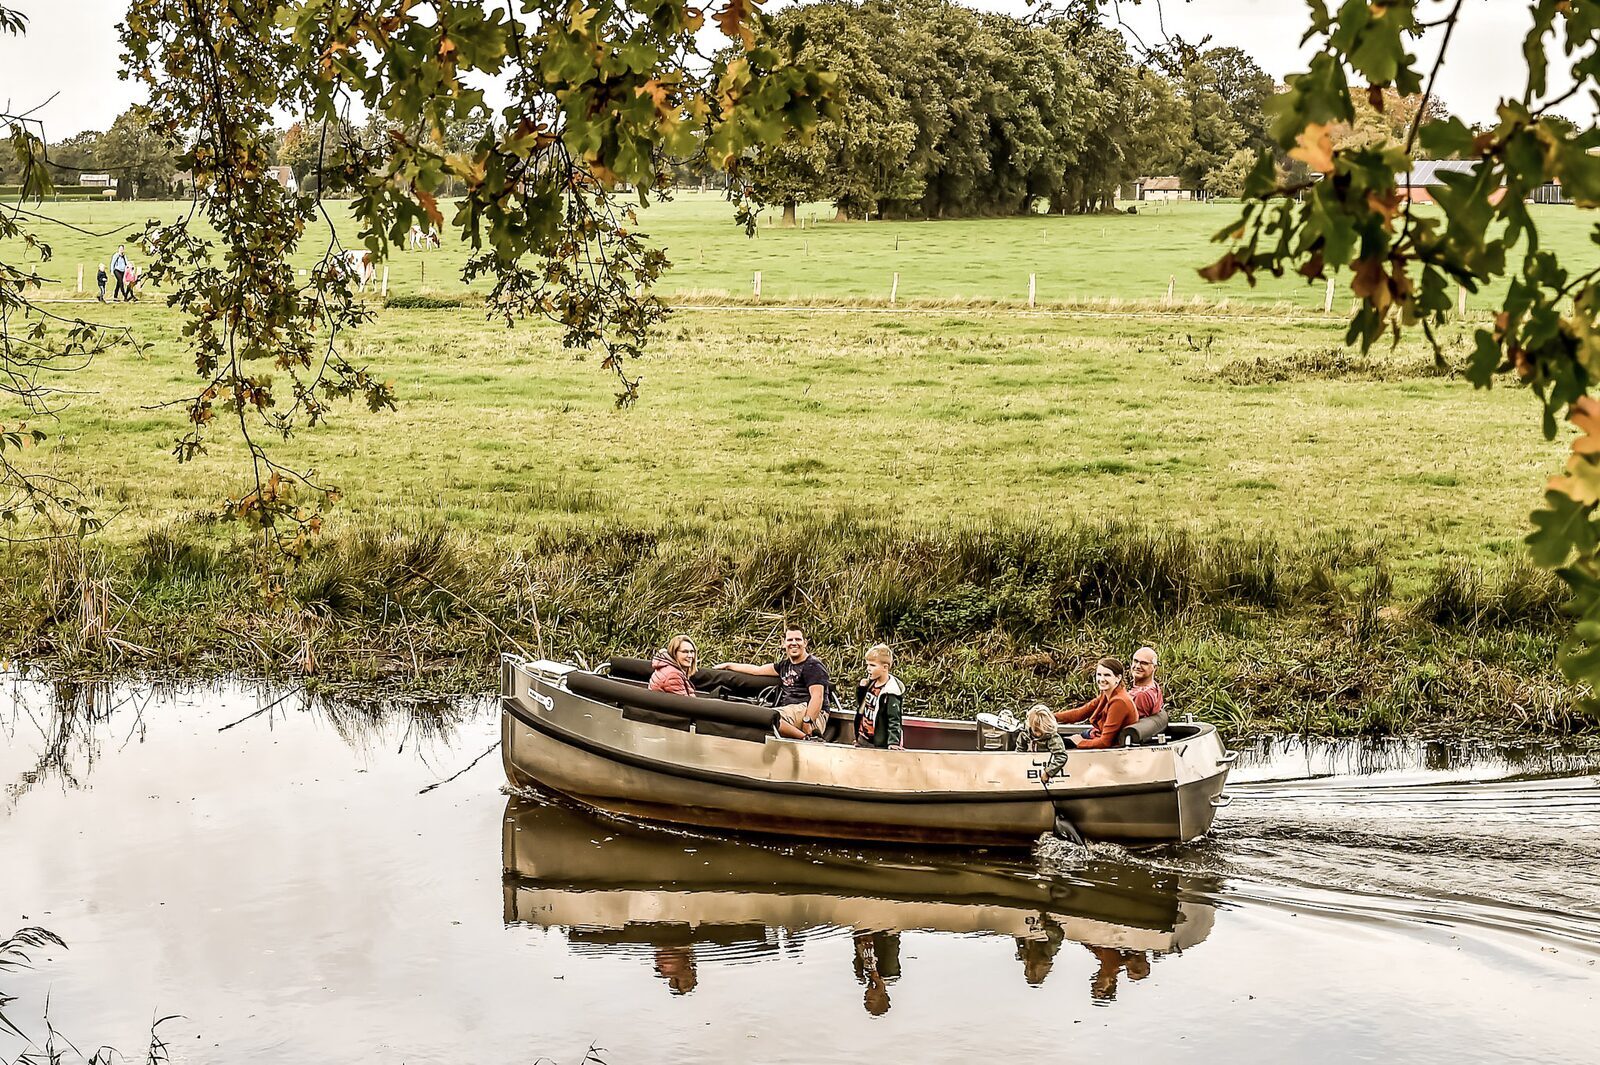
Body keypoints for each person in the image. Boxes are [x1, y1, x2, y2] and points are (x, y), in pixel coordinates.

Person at [714, 626, 830, 739]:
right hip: (791, 711)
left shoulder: (813, 666)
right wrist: (728, 665)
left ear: (805, 643)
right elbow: (757, 670)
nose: (794, 643)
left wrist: (807, 721)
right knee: (759, 717)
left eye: (798, 639)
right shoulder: (784, 665)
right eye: (790, 640)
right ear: (783, 643)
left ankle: (807, 739)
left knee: (770, 717)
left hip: (811, 713)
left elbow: (817, 697)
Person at [1054, 657, 1138, 750]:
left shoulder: (1119, 702)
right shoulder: (1107, 694)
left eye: (1107, 675)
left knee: (1056, 744)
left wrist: (1079, 742)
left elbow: (1105, 742)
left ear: (1118, 678)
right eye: (1099, 674)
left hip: (1110, 748)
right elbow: (1080, 713)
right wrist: (1051, 717)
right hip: (1096, 734)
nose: (1101, 679)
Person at [854, 643, 904, 750]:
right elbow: (861, 704)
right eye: (867, 665)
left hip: (878, 741)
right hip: (863, 737)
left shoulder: (891, 691)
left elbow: (894, 719)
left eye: (872, 665)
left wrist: (893, 742)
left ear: (885, 667)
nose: (868, 669)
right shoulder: (871, 684)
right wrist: (861, 688)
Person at [1017, 704, 1067, 781]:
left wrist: (1048, 772)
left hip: (1045, 764)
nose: (1038, 734)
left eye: (1042, 731)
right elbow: (1020, 749)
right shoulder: (1025, 733)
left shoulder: (1053, 738)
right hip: (1032, 763)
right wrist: (1020, 761)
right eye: (1036, 730)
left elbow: (1061, 756)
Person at [1129, 646, 1164, 718]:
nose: (1138, 666)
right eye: (1135, 661)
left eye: (1144, 663)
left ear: (1154, 667)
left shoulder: (1142, 695)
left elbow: (1134, 725)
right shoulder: (1155, 686)